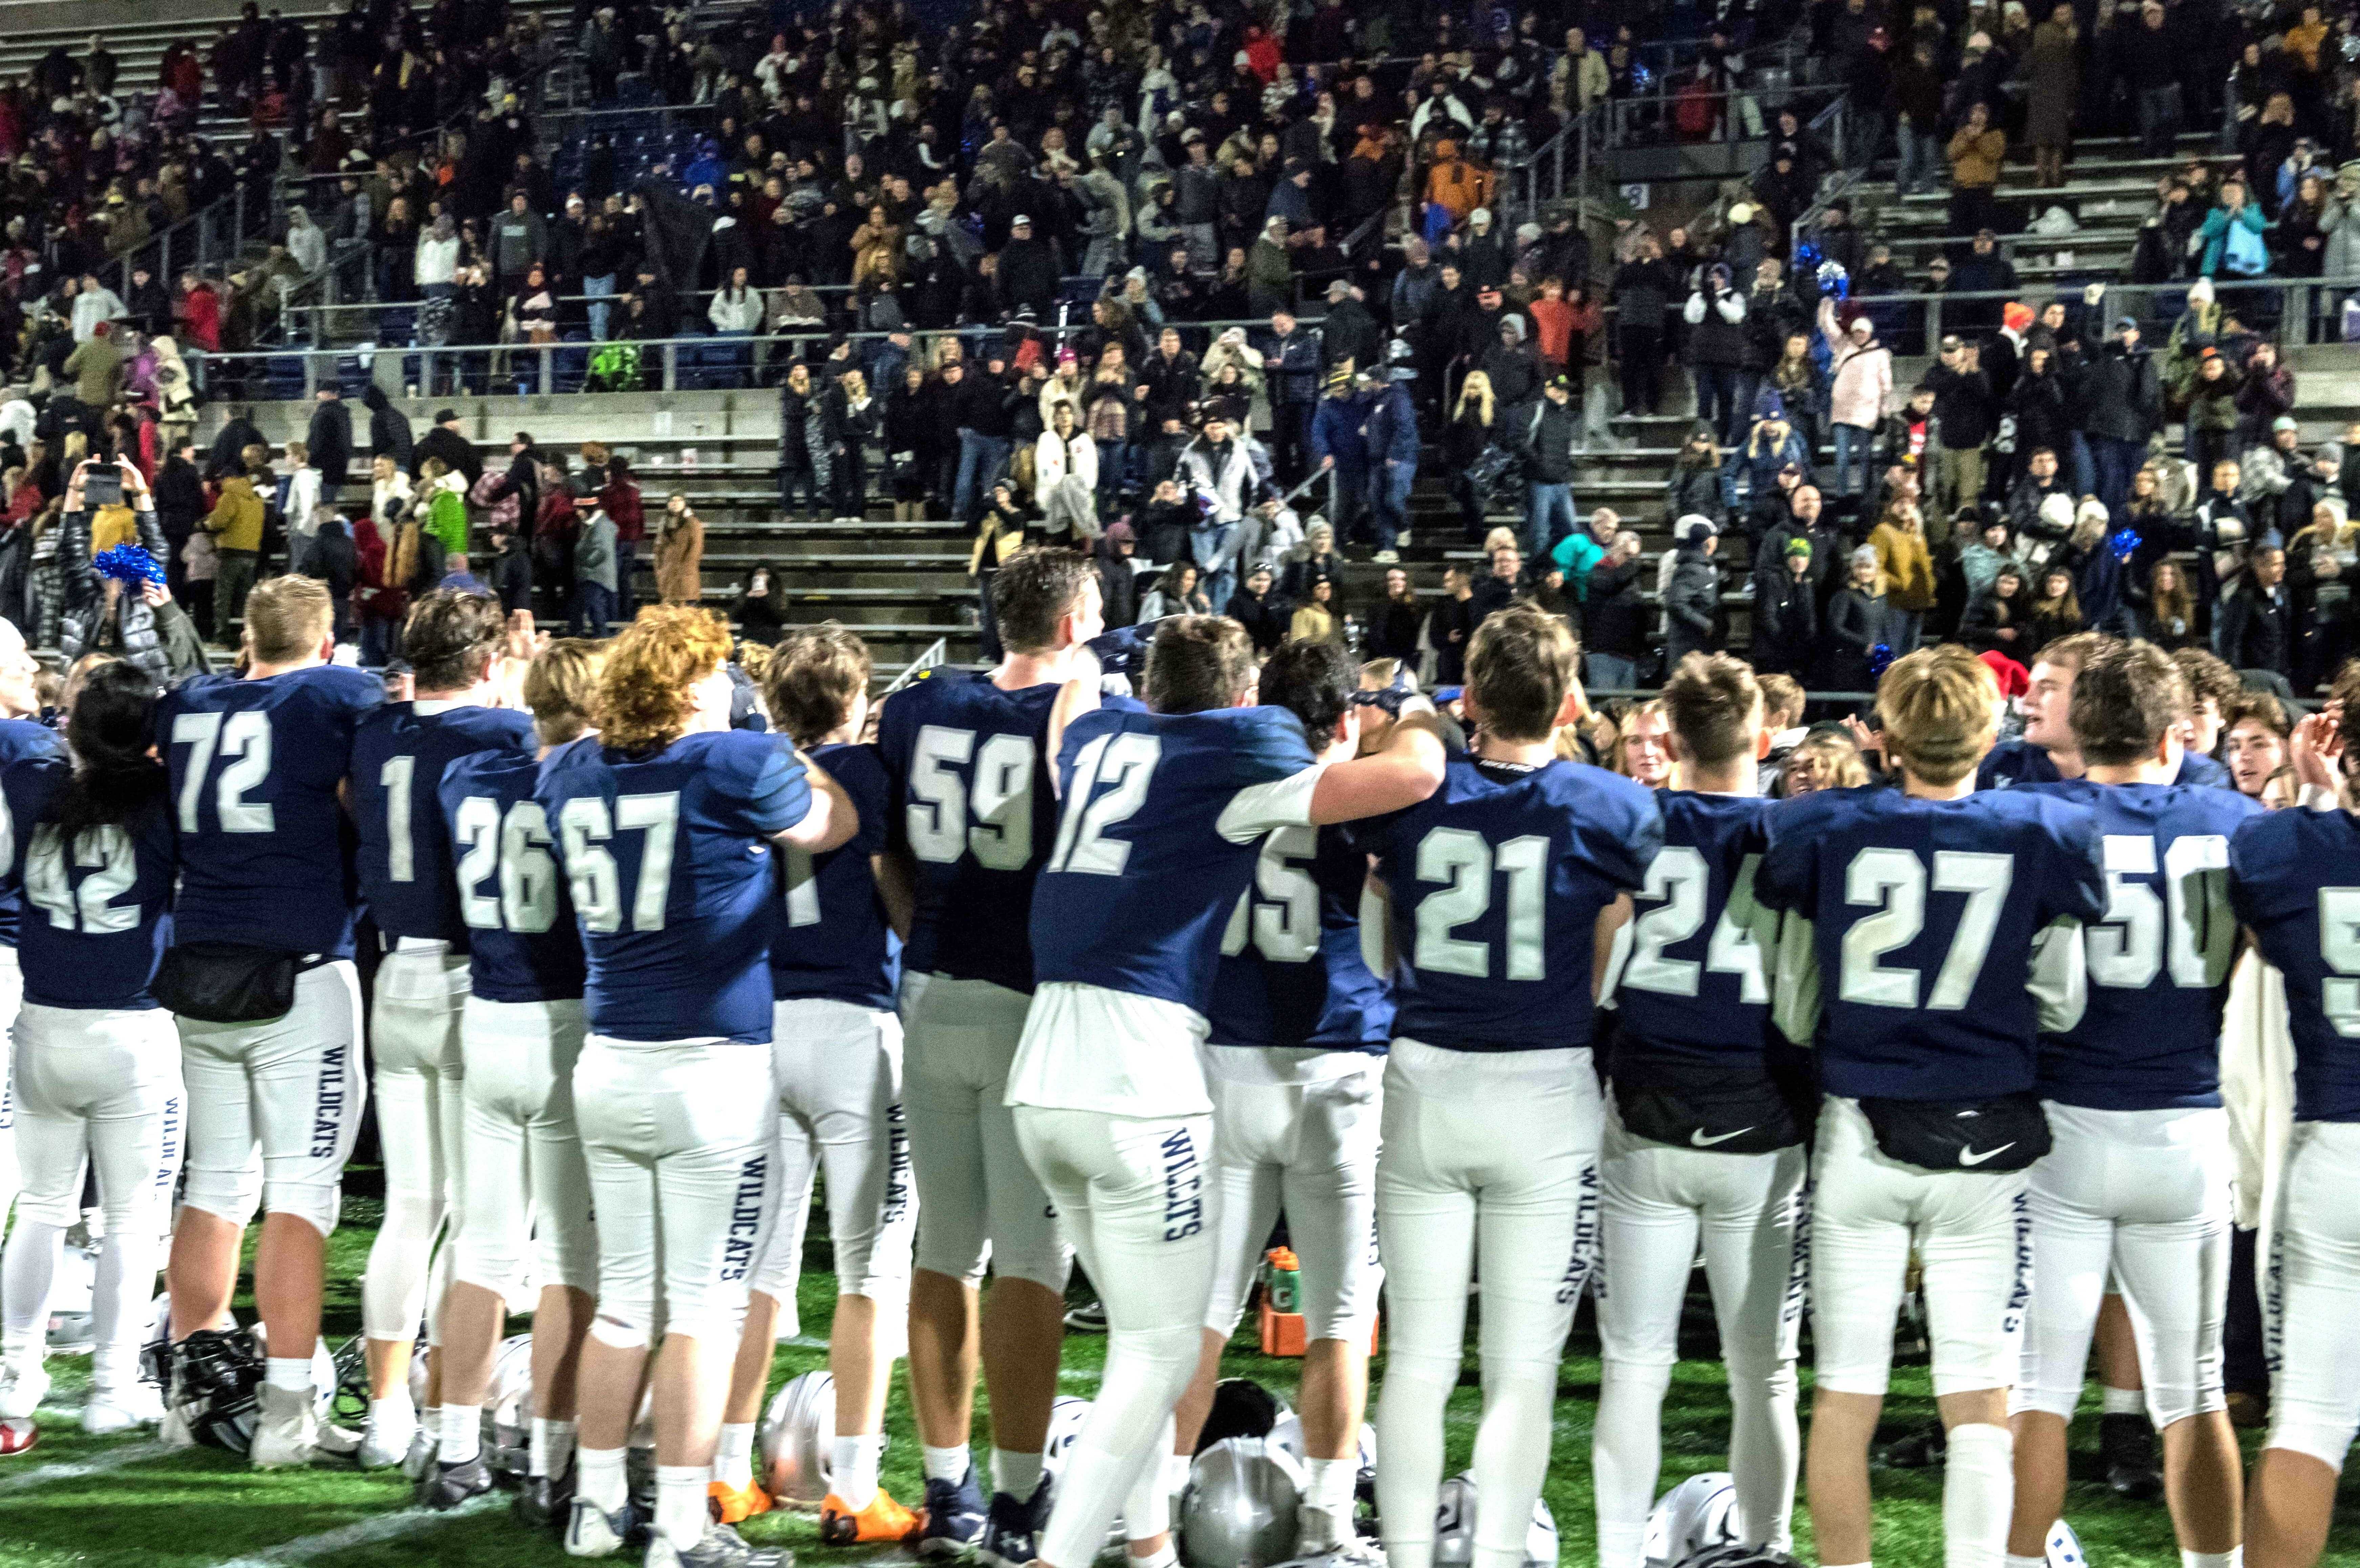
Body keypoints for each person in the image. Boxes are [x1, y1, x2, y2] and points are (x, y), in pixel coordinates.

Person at [1010, 626, 1447, 1568]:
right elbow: (1410, 778)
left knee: (1149, 1340)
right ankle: (1064, 1557)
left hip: (1044, 1072)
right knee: (1162, 1351)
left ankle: (1151, 1545)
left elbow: (1070, 709)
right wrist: (1410, 711)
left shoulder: (1105, 735)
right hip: (1140, 1078)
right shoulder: (1244, 746)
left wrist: (1088, 650)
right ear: (1238, 694)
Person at [1754, 644, 2108, 1568]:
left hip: (1859, 1131)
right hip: (1984, 1139)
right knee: (1977, 1395)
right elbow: (2063, 998)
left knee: (1847, 1393)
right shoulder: (2038, 831)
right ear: (1987, 732)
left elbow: (1796, 1006)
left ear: (1884, 735)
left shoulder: (1826, 826)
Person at [537, 605, 857, 1568]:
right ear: (688, 685)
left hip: (611, 1058)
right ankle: (680, 1522)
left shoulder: (567, 768)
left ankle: (595, 1506)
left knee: (627, 1300)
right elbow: (830, 824)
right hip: (711, 1068)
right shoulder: (733, 761)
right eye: (717, 674)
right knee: (703, 1311)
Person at [1355, 604, 1659, 1568]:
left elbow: (1377, 945)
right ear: (1572, 700)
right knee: (1520, 1371)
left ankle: (1407, 1554)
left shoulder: (1409, 795)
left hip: (1425, 1078)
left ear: (1470, 697)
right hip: (1543, 1088)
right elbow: (1616, 952)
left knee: (1417, 1361)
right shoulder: (1610, 806)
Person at [2004, 642, 2258, 1568]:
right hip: (2186, 1126)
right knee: (2190, 1393)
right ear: (2173, 730)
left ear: (2084, 721)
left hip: (2062, 1127)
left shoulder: (2032, 816)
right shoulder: (2236, 819)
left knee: (2036, 1389)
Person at [875, 550, 1102, 1562]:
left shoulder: (920, 706)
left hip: (929, 990)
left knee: (943, 1245)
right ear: (1066, 627)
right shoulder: (1077, 709)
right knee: (1029, 1261)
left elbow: (887, 848)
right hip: (1024, 998)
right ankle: (1014, 1497)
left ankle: (944, 1482)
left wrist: (914, 929)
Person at [1173, 638, 1398, 1561]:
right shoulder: (1371, 796)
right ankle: (1329, 1522)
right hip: (1337, 1064)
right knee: (1339, 1316)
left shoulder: (1221, 787)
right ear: (1346, 718)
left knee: (1202, 1315)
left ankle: (1148, 1502)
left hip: (1227, 1058)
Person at [157, 576, 383, 1467]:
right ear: (325, 642)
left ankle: (194, 1392)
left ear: (247, 639)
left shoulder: (190, 703)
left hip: (202, 968)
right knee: (301, 1192)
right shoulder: (335, 694)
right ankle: (287, 1415)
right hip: (298, 974)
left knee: (214, 1186)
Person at [708, 630, 922, 1543]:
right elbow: (898, 904)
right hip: (852, 1030)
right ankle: (855, 1485)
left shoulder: (752, 771)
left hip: (763, 1023)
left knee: (756, 1268)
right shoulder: (868, 776)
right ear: (854, 697)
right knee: (871, 1271)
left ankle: (723, 1474)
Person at [1591, 653, 1800, 1568]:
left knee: (1635, 1368)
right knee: (1766, 1375)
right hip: (1763, 1129)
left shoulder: (1626, 822)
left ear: (1665, 741)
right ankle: (1768, 1545)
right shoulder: (1800, 833)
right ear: (1764, 739)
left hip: (1647, 1115)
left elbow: (1598, 977)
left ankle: (1611, 1552)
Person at [346, 592, 538, 1481]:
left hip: (395, 975)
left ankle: (388, 1414)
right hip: (471, 978)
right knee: (475, 1212)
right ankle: (451, 1414)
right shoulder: (500, 740)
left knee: (411, 1207)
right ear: (488, 661)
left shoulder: (377, 729)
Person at [431, 639, 604, 1530]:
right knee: (574, 1266)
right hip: (564, 1018)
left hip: (486, 1013)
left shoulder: (467, 778)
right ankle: (551, 1456)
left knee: (484, 1253)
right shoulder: (594, 781)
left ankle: (454, 1446)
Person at [0, 664, 178, 1441]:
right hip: (132, 1031)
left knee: (39, 1210)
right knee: (132, 1219)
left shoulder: (35, 782)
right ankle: (111, 1385)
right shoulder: (161, 803)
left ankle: (13, 1383)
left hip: (43, 1023)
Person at [2227, 685, 2360, 1568]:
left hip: (2337, 1152)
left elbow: (2271, 923)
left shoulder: (2282, 847)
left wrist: (2319, 792)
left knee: (2310, 1419)